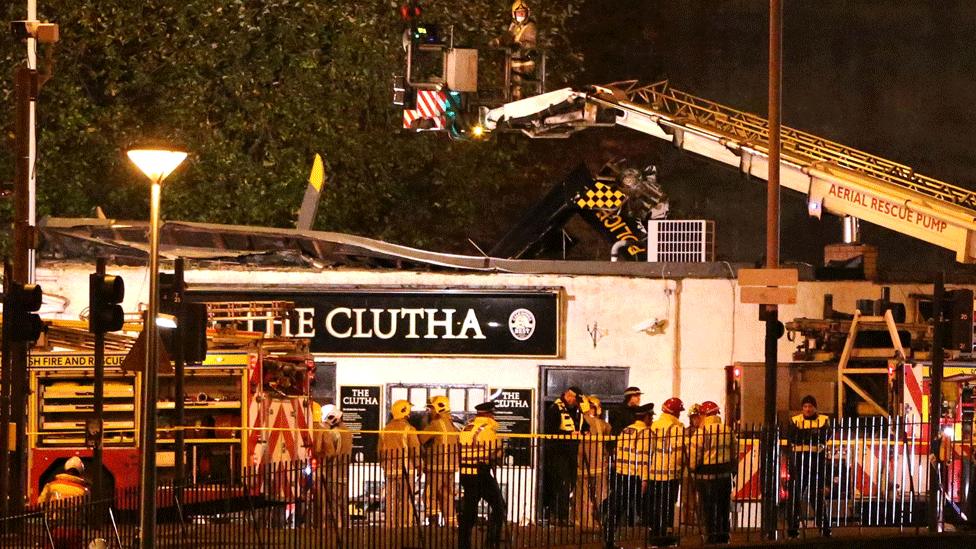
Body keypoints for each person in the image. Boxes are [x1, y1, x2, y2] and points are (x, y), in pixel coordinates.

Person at [602, 403, 653, 549]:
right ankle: (651, 537)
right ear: (646, 417)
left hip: (620, 473)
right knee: (637, 506)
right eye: (650, 417)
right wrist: (644, 478)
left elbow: (618, 452)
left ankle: (609, 535)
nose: (651, 420)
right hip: (633, 475)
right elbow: (643, 457)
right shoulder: (644, 432)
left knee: (618, 506)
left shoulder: (626, 430)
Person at [458, 401, 506, 549]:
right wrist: (501, 451)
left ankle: (464, 544)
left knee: (469, 511)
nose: (494, 416)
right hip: (481, 473)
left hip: (466, 473)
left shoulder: (467, 427)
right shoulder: (488, 429)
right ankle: (492, 541)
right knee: (499, 506)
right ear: (489, 414)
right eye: (493, 413)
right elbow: (494, 454)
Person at [688, 401, 737, 545]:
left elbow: (694, 457)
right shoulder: (728, 430)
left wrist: (693, 469)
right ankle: (724, 535)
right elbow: (734, 453)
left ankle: (711, 536)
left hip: (707, 478)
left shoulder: (702, 432)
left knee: (709, 508)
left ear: (704, 414)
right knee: (723, 507)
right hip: (724, 477)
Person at [786, 395, 831, 538]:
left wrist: (804, 435)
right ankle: (793, 529)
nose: (807, 409)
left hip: (816, 462)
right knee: (795, 497)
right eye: (805, 406)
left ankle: (824, 527)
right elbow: (792, 437)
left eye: (810, 406)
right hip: (799, 462)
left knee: (816, 496)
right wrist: (811, 435)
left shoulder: (823, 420)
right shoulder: (795, 420)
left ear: (815, 407)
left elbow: (824, 436)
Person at [543, 386, 587, 524]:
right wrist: (568, 435)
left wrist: (585, 431)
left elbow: (584, 426)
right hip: (558, 453)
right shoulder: (555, 409)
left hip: (571, 454)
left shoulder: (576, 411)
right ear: (569, 396)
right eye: (575, 399)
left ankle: (563, 515)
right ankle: (558, 516)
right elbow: (549, 432)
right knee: (561, 484)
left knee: (569, 484)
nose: (576, 402)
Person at [645, 397, 686, 547]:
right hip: (670, 473)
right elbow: (679, 453)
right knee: (668, 504)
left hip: (654, 472)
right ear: (675, 412)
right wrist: (680, 468)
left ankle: (655, 532)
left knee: (656, 504)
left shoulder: (654, 426)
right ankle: (665, 534)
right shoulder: (676, 428)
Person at [418, 395, 460, 527]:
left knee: (430, 495)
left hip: (436, 467)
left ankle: (433, 521)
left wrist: (423, 422)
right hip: (451, 467)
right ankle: (451, 524)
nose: (430, 411)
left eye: (431, 408)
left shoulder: (435, 424)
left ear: (438, 407)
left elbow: (421, 439)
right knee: (447, 495)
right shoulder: (453, 423)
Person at [378, 399, 421, 527]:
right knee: (406, 499)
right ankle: (405, 524)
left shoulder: (384, 430)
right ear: (405, 411)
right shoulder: (409, 429)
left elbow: (380, 452)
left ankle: (390, 525)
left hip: (390, 470)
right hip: (407, 470)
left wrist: (384, 466)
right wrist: (419, 465)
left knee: (391, 500)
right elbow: (415, 450)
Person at [315, 404, 353, 541]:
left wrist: (321, 434)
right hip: (343, 473)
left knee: (331, 505)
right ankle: (345, 531)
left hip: (332, 473)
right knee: (342, 503)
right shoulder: (347, 431)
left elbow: (328, 453)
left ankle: (332, 534)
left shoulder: (333, 433)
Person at [489, 0, 539, 100]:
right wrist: (496, 42)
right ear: (514, 14)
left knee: (518, 86)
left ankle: (518, 106)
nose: (521, 15)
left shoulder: (530, 27)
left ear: (527, 13)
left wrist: (518, 45)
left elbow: (530, 42)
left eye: (522, 13)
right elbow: (507, 37)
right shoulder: (514, 26)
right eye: (518, 13)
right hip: (512, 63)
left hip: (524, 64)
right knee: (507, 85)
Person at [575, 395, 611, 529]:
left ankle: (584, 523)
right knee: (601, 496)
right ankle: (600, 522)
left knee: (583, 497)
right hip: (599, 467)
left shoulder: (578, 421)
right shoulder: (604, 425)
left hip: (581, 465)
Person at [38, 456, 90, 549]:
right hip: (74, 528)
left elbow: (41, 503)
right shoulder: (83, 491)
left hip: (54, 526)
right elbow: (87, 510)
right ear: (80, 473)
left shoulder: (51, 486)